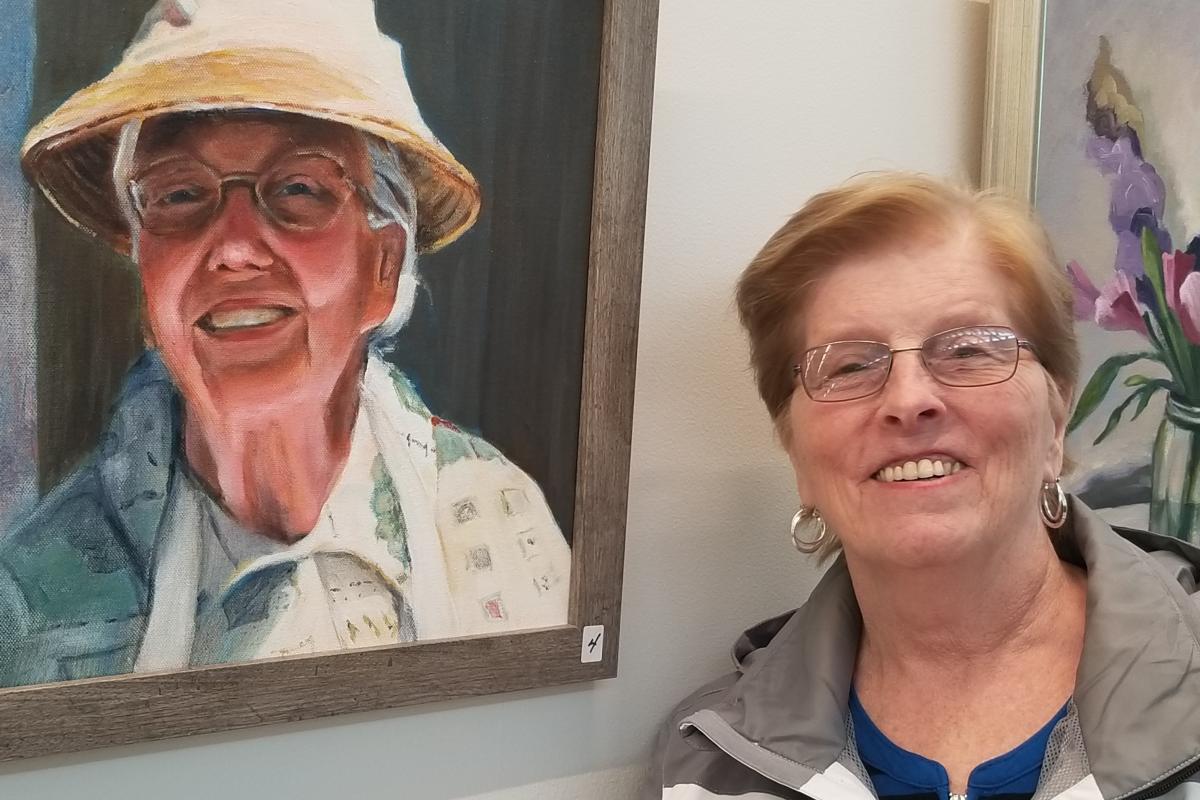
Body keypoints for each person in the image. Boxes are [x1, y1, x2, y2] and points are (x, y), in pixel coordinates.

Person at [0, 0, 569, 688]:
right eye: (179, 195)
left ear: (383, 269)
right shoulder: (33, 595)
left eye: (299, 188)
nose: (235, 249)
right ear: (147, 276)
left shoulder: (499, 527)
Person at [647, 173, 1200, 800]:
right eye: (850, 365)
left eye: (968, 350)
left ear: (1055, 419)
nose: (908, 401)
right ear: (795, 450)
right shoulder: (706, 763)